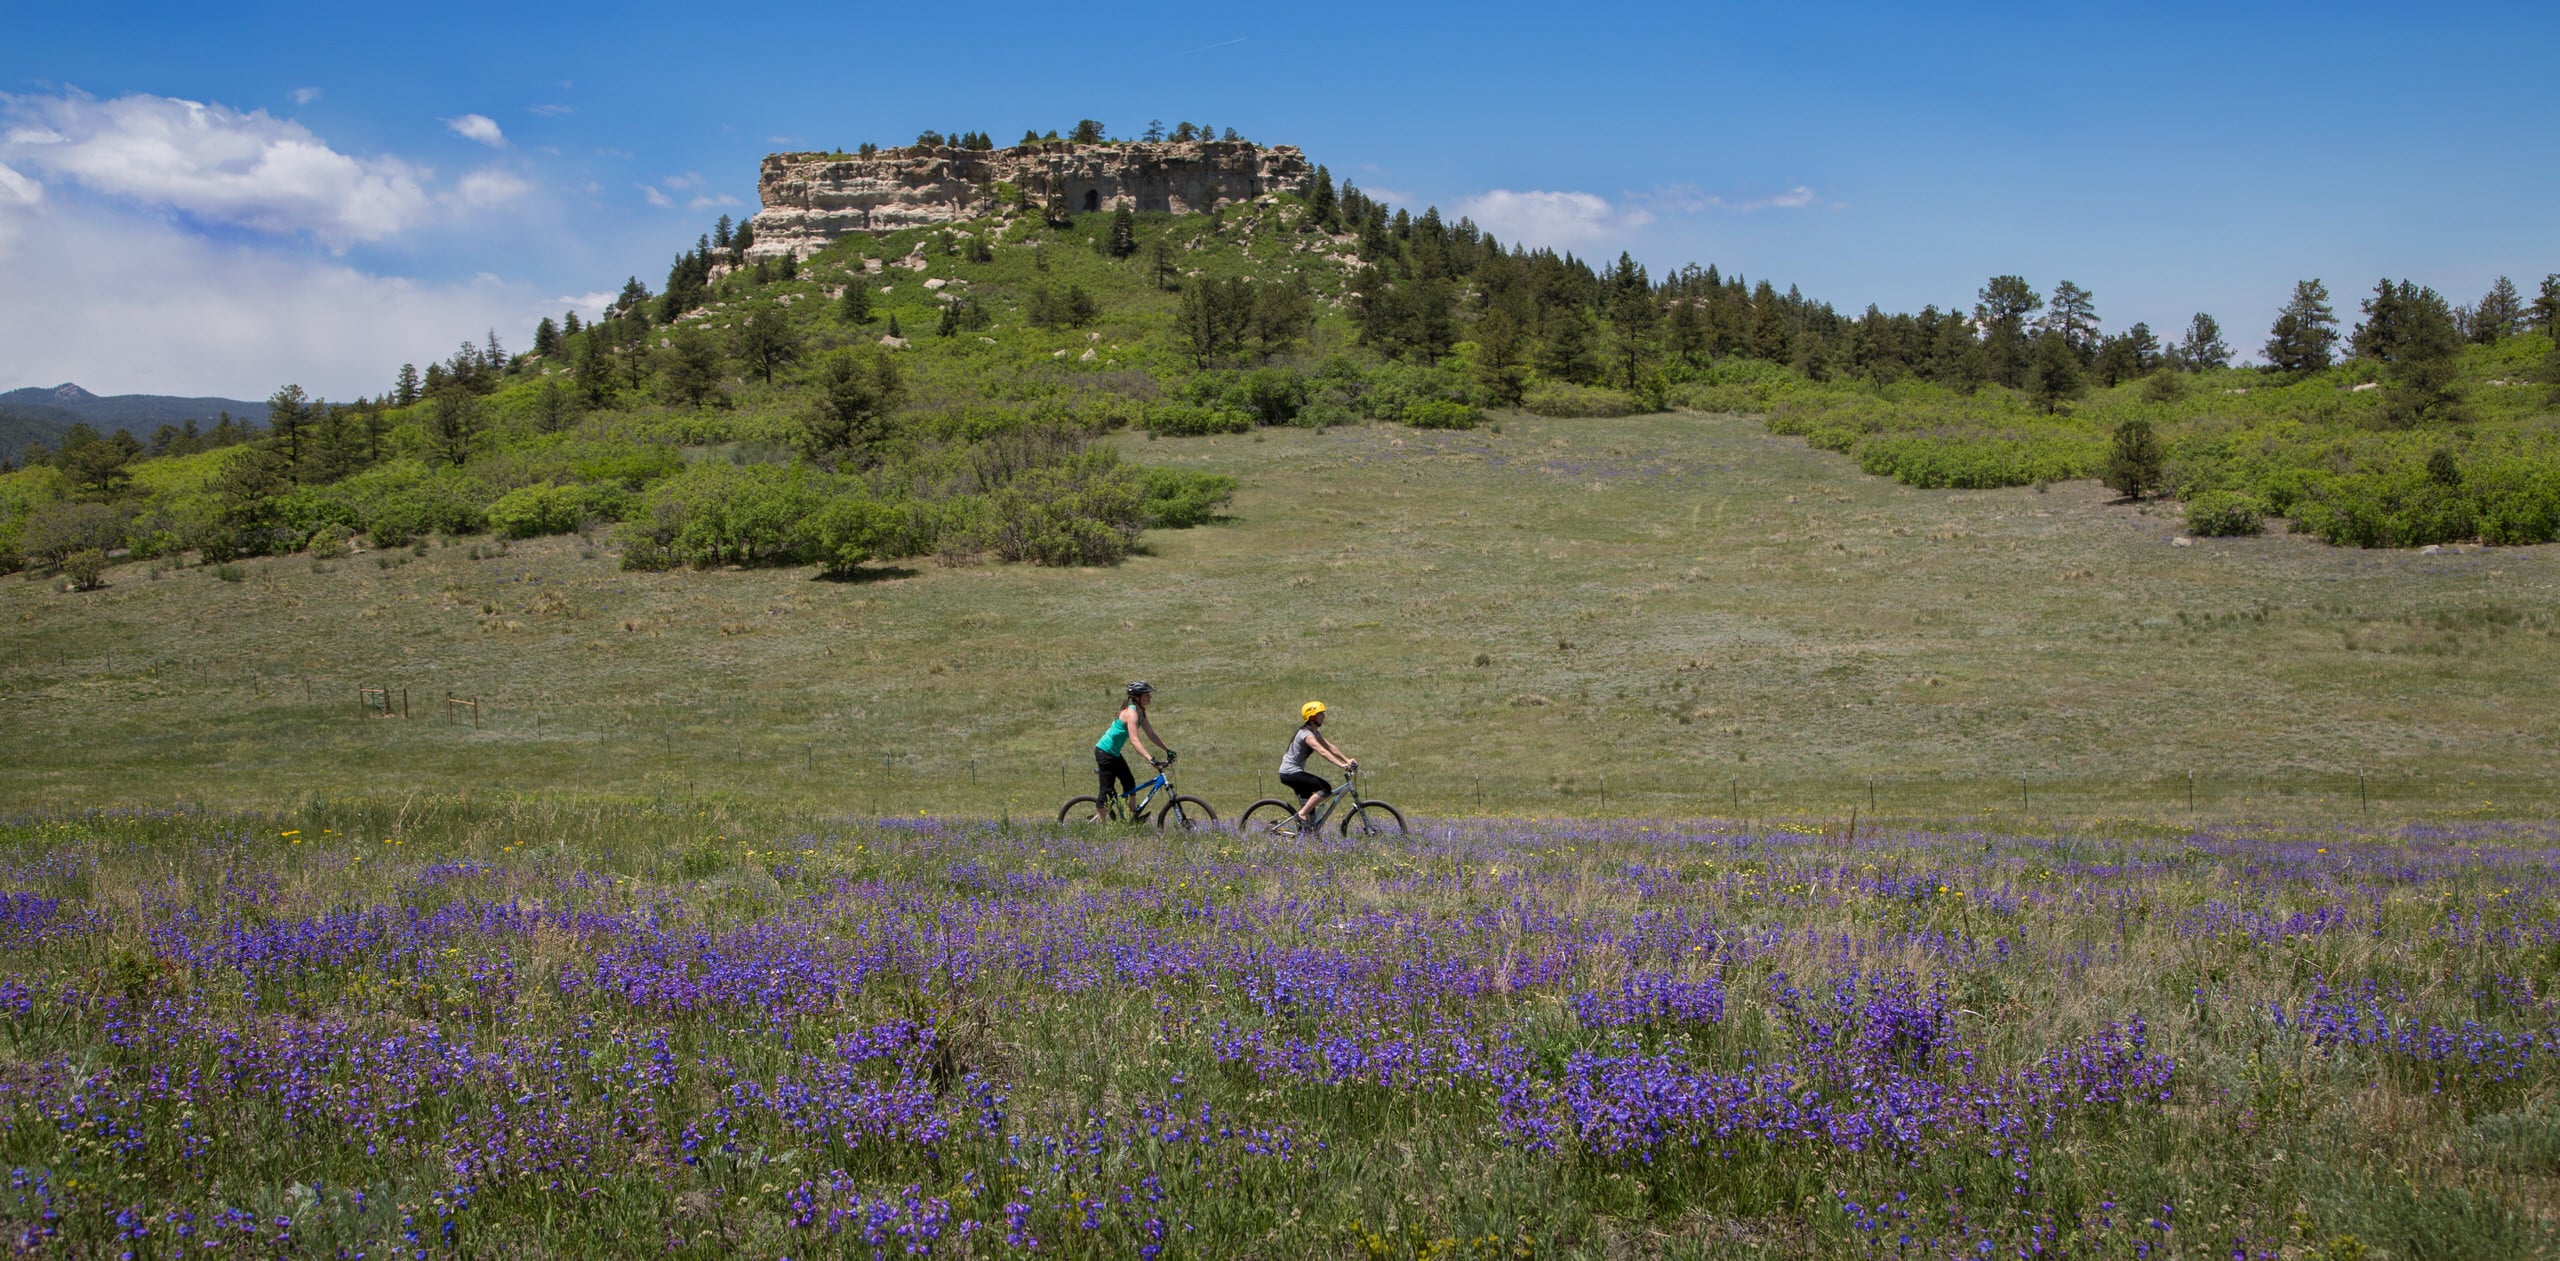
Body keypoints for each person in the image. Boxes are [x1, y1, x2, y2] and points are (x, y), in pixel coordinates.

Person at [1091, 681, 1172, 821]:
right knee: (1105, 792)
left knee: (1129, 783)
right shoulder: (1131, 713)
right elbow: (1134, 740)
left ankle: (1132, 818)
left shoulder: (1141, 713)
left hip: (1114, 753)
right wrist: (1150, 759)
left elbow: (1151, 734)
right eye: (1147, 695)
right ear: (1137, 697)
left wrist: (1168, 750)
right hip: (1104, 752)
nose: (1150, 697)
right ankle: (1101, 830)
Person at [1275, 700, 1356, 832]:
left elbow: (1329, 747)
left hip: (1294, 772)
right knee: (1325, 788)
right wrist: (1342, 765)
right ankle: (1301, 815)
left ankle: (1308, 833)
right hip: (1290, 773)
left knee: (1310, 805)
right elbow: (1323, 751)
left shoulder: (1314, 732)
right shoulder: (1306, 735)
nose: (1324, 716)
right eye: (1320, 714)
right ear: (1312, 717)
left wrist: (1347, 759)